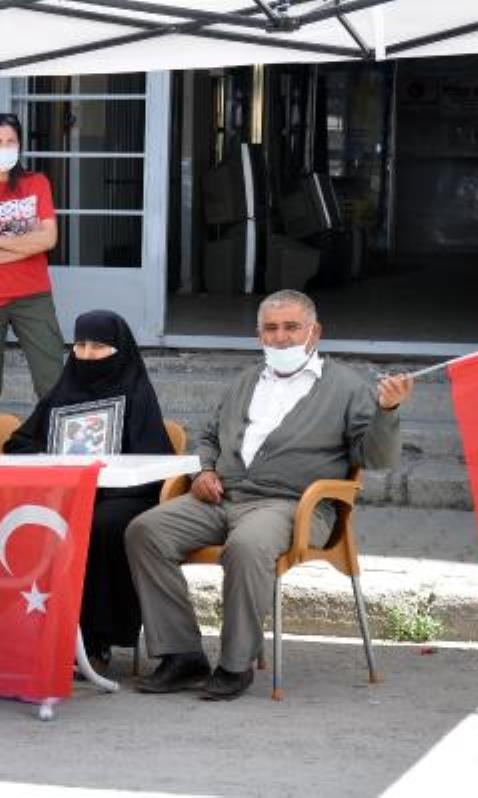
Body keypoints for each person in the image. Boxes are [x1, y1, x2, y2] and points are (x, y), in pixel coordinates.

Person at [125, 290, 414, 700]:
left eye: (291, 327)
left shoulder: (348, 388)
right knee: (145, 531)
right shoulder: (246, 380)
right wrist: (204, 470)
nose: (280, 338)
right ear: (259, 334)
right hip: (222, 497)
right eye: (271, 329)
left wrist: (387, 411)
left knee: (247, 545)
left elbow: (377, 458)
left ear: (315, 332)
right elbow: (209, 435)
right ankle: (182, 655)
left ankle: (235, 664)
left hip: (292, 505)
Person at [3, 310, 173, 673]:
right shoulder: (63, 393)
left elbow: (155, 461)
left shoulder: (136, 394)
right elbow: (18, 442)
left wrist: (108, 479)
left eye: (98, 346)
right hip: (65, 493)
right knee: (27, 518)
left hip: (123, 497)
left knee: (97, 525)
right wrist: (49, 457)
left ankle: (95, 640)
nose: (87, 354)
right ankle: (28, 631)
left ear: (118, 351)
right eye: (80, 345)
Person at [0, 111, 65, 414]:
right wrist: (25, 246)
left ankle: (53, 440)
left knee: (52, 380)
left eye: (11, 141)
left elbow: (48, 239)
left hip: (33, 295)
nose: (5, 147)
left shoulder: (36, 183)